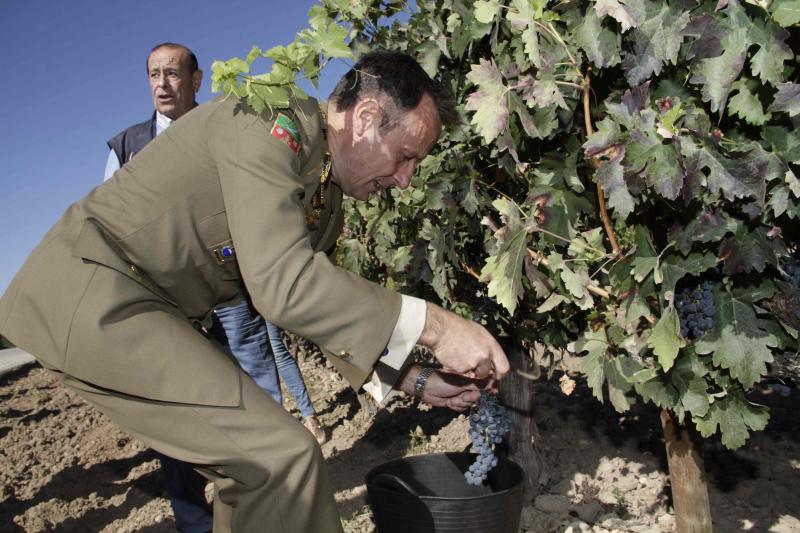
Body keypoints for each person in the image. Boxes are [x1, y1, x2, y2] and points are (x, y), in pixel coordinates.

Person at [0, 50, 510, 532]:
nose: (405, 180)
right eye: (404, 157)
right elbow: (284, 285)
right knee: (277, 458)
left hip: (142, 304)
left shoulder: (325, 198)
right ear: (365, 116)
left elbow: (319, 310)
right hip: (93, 289)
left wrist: (417, 379)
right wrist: (439, 327)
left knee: (266, 464)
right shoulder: (269, 122)